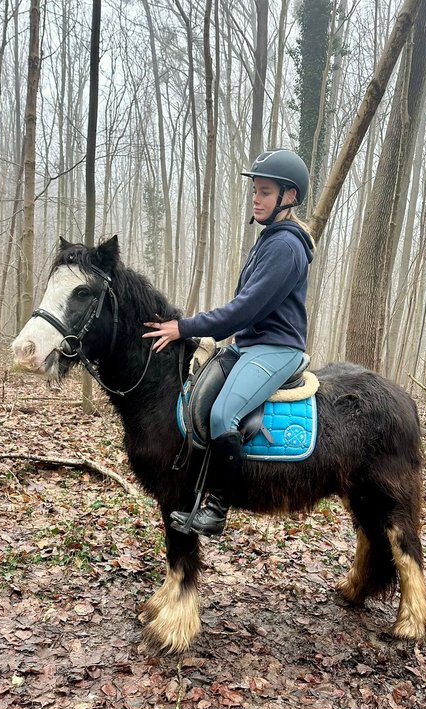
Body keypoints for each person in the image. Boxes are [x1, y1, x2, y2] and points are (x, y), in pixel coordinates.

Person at [143, 148, 315, 537]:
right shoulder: (269, 239)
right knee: (195, 400)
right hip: (250, 345)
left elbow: (244, 310)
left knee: (223, 415)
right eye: (255, 190)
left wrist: (183, 327)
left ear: (288, 197)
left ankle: (217, 509)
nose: (256, 198)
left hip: (277, 348)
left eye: (265, 192)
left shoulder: (286, 247)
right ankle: (193, 489)